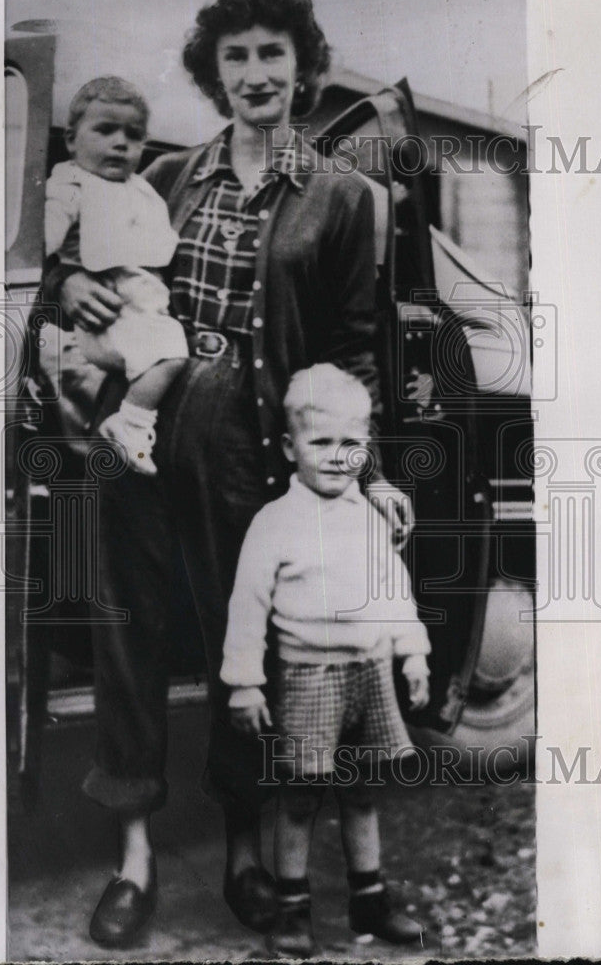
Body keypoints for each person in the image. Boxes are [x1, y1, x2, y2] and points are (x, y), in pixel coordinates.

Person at [44, 0, 413, 949]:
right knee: (125, 646)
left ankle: (245, 849)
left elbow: (353, 348)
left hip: (247, 460)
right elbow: (75, 265)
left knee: (237, 650)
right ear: (217, 72)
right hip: (130, 449)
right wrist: (73, 283)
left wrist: (363, 470)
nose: (256, 73)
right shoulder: (164, 174)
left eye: (273, 55)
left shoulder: (340, 198)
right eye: (238, 56)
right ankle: (135, 859)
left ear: (303, 66)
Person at [221, 364, 430, 957]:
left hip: (370, 672)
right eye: (321, 442)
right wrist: (244, 684)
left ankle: (371, 898)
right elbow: (247, 606)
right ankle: (293, 909)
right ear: (290, 447)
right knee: (301, 795)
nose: (338, 458)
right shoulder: (275, 523)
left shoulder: (370, 517)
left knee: (362, 792)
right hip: (308, 675)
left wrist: (412, 653)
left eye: (352, 444)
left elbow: (395, 590)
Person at [45, 77, 187, 475]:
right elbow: (44, 235)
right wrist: (59, 271)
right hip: (109, 314)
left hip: (136, 312)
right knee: (171, 354)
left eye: (134, 135)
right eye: (105, 130)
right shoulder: (71, 185)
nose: (120, 142)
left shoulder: (142, 191)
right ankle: (132, 422)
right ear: (72, 141)